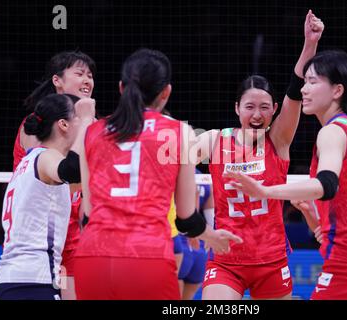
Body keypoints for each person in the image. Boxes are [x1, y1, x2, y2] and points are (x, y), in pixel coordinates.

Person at [75, 48, 242, 300]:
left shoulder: (93, 132)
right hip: (147, 257)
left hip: (92, 257)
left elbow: (87, 212)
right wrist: (210, 235)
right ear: (166, 93)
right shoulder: (178, 132)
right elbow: (186, 218)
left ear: (122, 87)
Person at [225, 50, 347, 299]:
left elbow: (326, 184)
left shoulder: (332, 132)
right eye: (305, 82)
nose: (304, 89)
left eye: (313, 82)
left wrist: (265, 191)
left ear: (337, 91)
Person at [195, 10, 324, 300]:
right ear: (237, 109)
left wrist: (310, 44)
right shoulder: (214, 140)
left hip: (271, 261)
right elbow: (170, 163)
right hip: (226, 259)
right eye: (250, 107)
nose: (257, 114)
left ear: (275, 109)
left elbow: (294, 92)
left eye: (264, 107)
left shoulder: (278, 141)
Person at [0, 94, 95, 300]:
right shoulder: (46, 157)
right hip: (32, 282)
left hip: (8, 281)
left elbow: (78, 180)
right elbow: (72, 170)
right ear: (64, 124)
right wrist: (86, 120)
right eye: (78, 118)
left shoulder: (28, 163)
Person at [11, 50, 96, 300]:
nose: (87, 80)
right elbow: (54, 178)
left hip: (75, 235)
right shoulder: (36, 125)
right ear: (57, 80)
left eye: (90, 75)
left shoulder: (86, 126)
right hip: (41, 237)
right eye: (79, 73)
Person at [178, 168, 214, 300]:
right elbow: (211, 218)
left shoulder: (176, 173)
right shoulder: (205, 179)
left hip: (179, 242)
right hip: (201, 248)